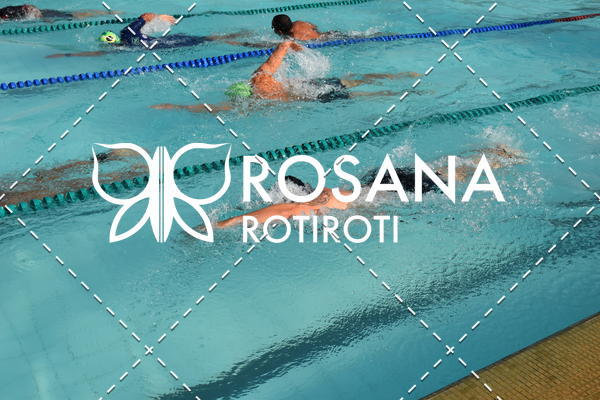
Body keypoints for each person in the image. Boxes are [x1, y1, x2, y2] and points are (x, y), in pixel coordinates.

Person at [213, 146, 526, 229]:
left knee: (452, 178)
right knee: (444, 171)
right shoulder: (323, 193)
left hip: (394, 189)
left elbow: (283, 211)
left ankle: (502, 161)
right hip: (378, 179)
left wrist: (224, 223)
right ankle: (493, 153)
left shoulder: (310, 205)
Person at [151, 41, 421, 112]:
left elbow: (212, 108)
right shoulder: (261, 77)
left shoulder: (259, 101)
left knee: (362, 95)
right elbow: (279, 51)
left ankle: (404, 92)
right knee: (354, 79)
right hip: (311, 86)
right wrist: (292, 46)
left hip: (313, 97)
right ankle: (402, 76)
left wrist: (179, 107)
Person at [46, 13, 247, 58]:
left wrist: (162, 17)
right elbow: (97, 54)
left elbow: (145, 16)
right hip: (169, 43)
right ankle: (237, 36)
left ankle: (239, 37)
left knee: (211, 40)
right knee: (208, 40)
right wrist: (68, 54)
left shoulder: (127, 33)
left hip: (173, 43)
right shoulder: (125, 39)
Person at [223, 14, 381, 48]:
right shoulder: (299, 23)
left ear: (279, 31)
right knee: (363, 36)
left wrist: (241, 44)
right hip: (330, 34)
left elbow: (265, 45)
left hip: (327, 40)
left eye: (273, 28)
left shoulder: (291, 38)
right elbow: (314, 27)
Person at [0, 4, 113, 21]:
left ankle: (106, 13)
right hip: (43, 14)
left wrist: (40, 16)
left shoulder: (6, 12)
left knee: (76, 16)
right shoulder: (5, 12)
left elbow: (28, 6)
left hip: (43, 14)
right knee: (74, 14)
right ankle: (106, 12)